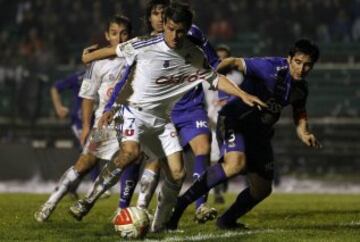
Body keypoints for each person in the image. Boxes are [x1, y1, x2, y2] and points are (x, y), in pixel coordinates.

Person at [68, 2, 266, 233]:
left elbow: (215, 78)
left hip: (162, 120)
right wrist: (87, 58)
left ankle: (159, 226)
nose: (174, 35)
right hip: (134, 111)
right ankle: (87, 200)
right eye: (170, 29)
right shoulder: (145, 44)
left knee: (178, 173)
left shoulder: (192, 54)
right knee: (130, 153)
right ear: (164, 26)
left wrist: (243, 94)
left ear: (188, 29)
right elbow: (113, 51)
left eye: (180, 30)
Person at [167, 39, 322, 230]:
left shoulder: (301, 88)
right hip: (235, 119)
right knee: (235, 164)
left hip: (260, 134)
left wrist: (304, 132)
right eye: (298, 62)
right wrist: (212, 72)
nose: (302, 68)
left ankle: (226, 221)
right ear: (290, 59)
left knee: (262, 189)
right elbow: (234, 62)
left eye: (308, 65)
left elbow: (299, 112)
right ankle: (181, 204)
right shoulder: (269, 67)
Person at [110, 0, 219, 224]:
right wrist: (113, 104)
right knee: (144, 157)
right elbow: (127, 77)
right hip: (156, 109)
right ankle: (129, 209)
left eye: (163, 13)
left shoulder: (192, 33)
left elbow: (214, 62)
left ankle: (200, 205)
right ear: (149, 18)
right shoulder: (145, 43)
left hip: (190, 106)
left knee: (203, 147)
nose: (159, 18)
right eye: (155, 13)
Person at [34, 15, 132, 222]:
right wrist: (87, 126)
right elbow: (87, 97)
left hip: (132, 119)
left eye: (124, 33)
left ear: (130, 35)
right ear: (107, 36)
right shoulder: (98, 64)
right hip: (105, 121)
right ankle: (50, 202)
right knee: (85, 163)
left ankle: (116, 208)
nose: (120, 38)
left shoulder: (137, 57)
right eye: (114, 33)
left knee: (131, 158)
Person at [204, 44, 244, 204]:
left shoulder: (238, 78)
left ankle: (223, 181)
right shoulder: (205, 78)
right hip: (212, 123)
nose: (221, 61)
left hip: (232, 122)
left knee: (229, 158)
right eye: (218, 58)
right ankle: (217, 191)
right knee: (214, 157)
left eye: (224, 58)